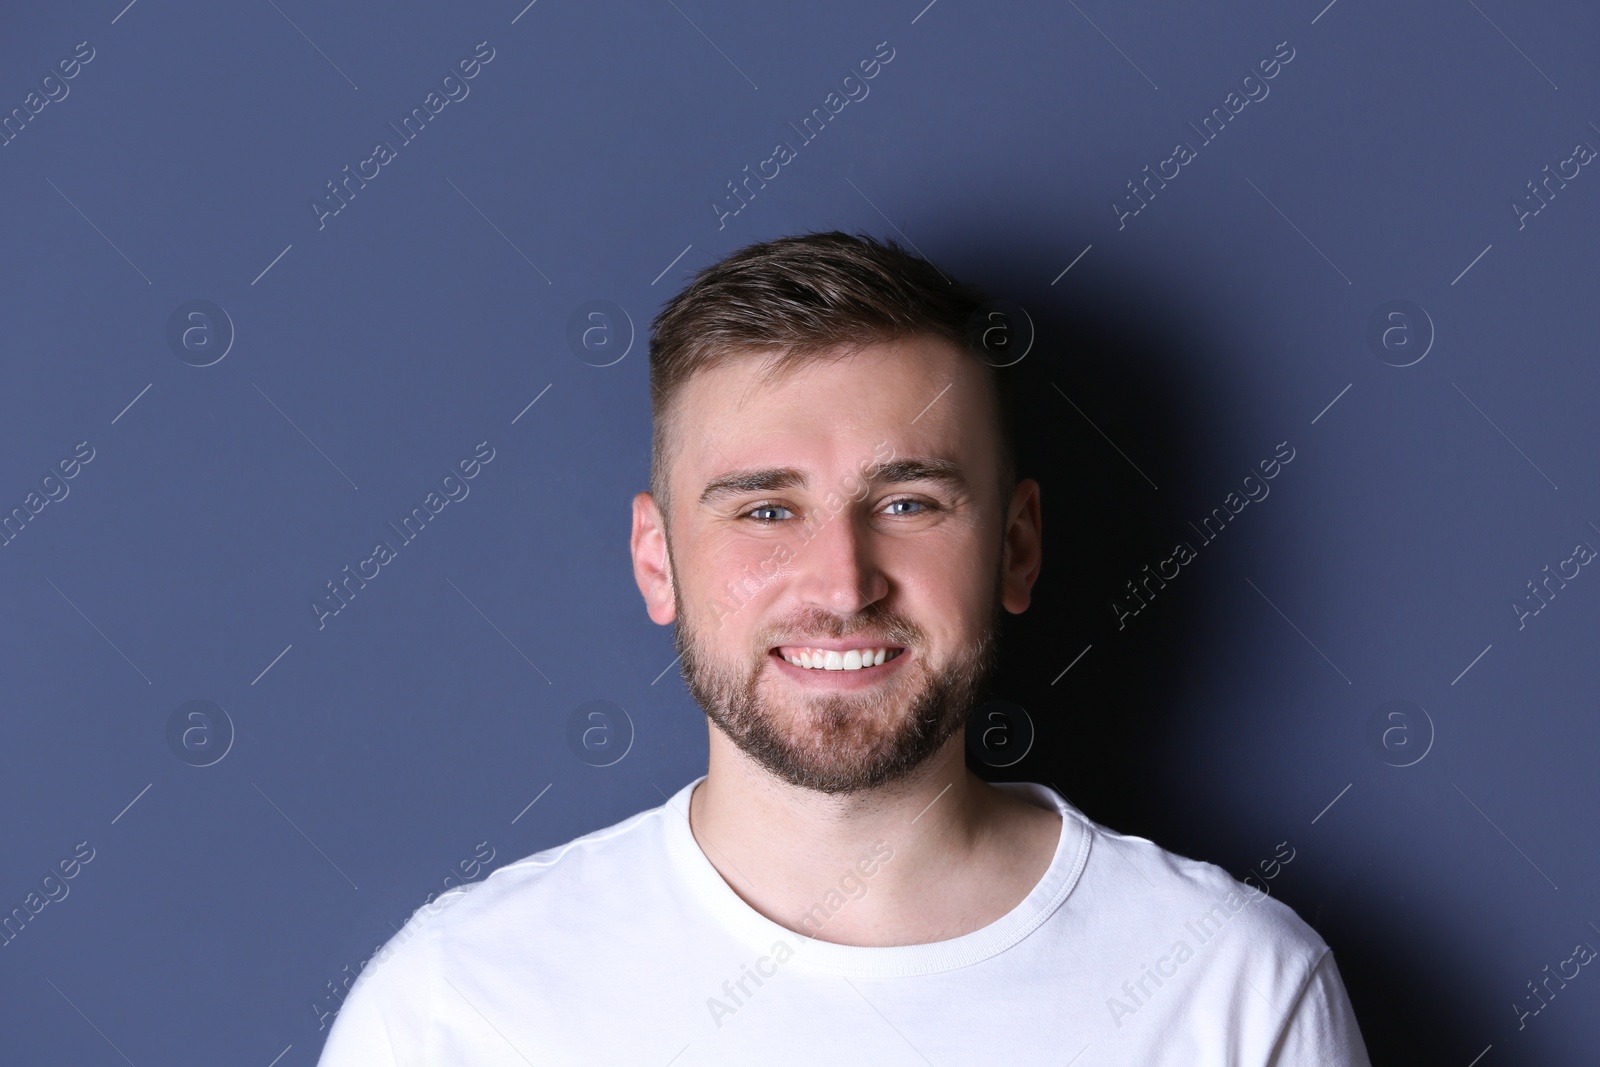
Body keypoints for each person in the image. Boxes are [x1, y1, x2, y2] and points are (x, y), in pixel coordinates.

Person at [315, 231, 1370, 1064]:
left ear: (1015, 546)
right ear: (656, 559)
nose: (841, 582)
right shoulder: (459, 1006)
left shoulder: (1230, 989)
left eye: (908, 500)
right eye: (765, 511)